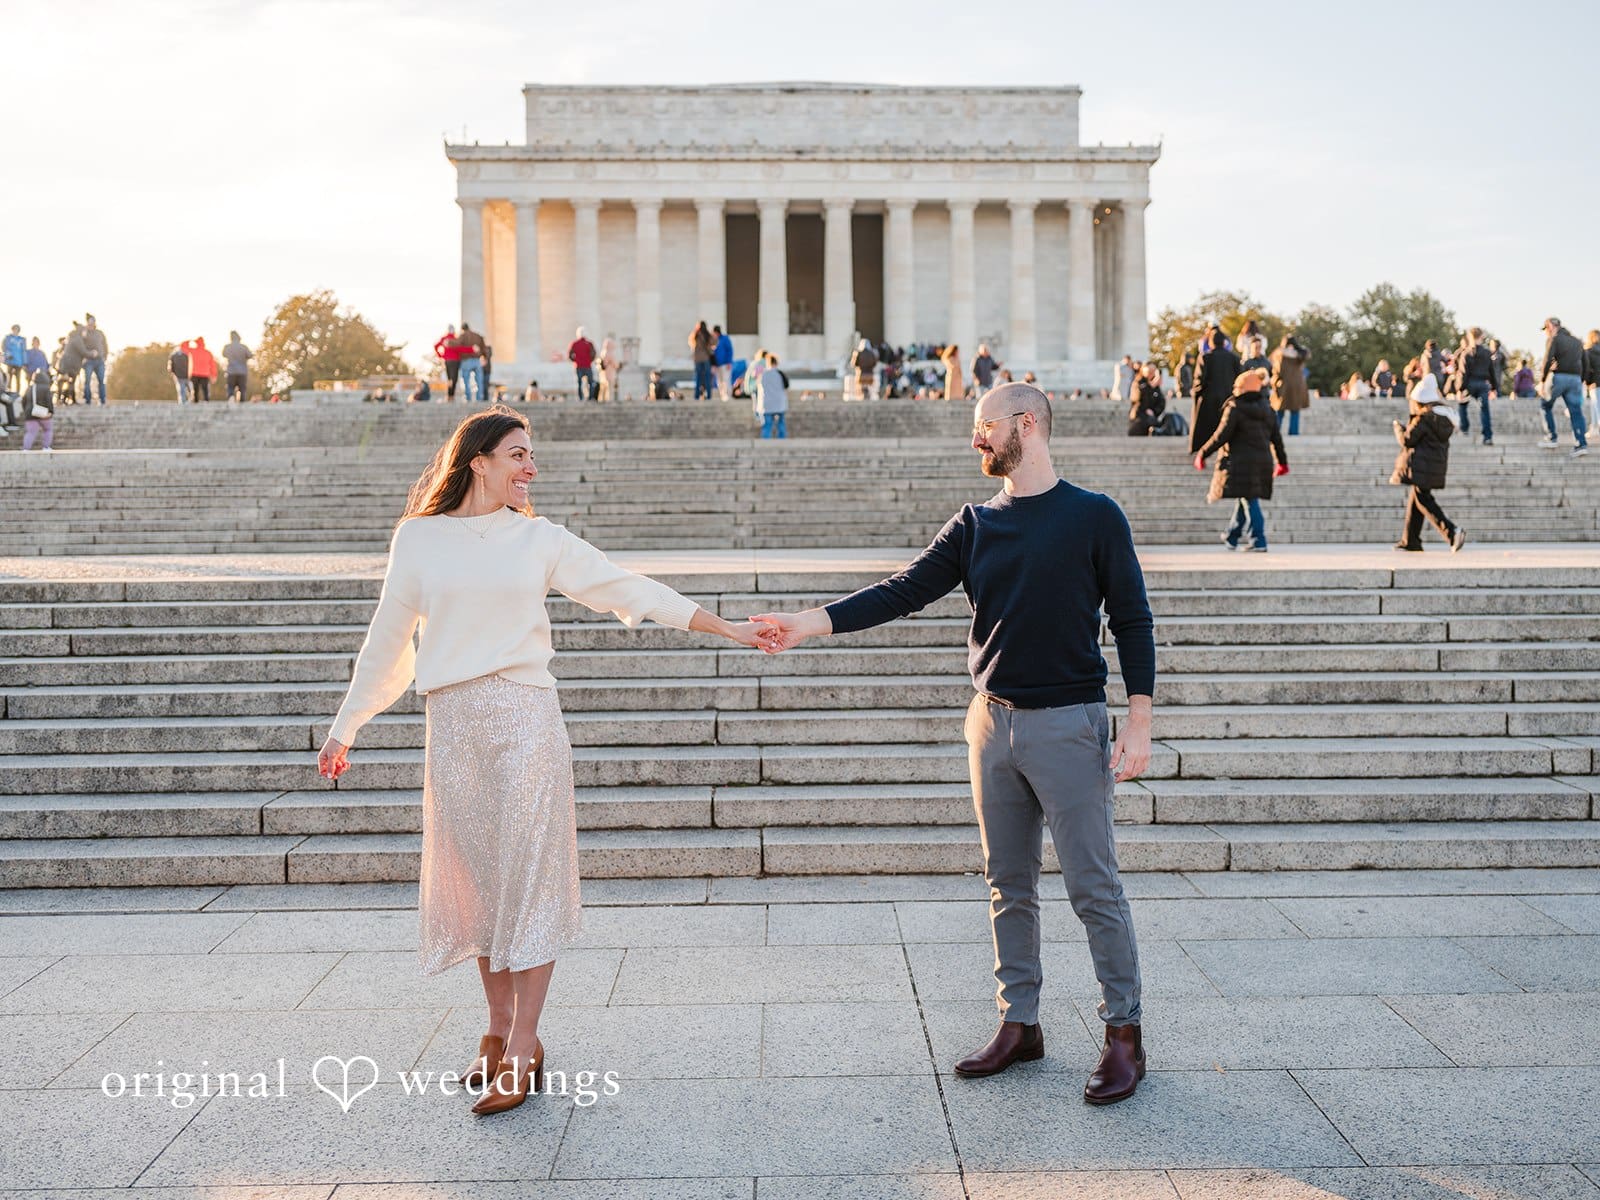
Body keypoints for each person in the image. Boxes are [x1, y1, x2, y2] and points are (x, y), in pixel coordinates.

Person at [318, 405, 775, 1116]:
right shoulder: (418, 539)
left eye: (533, 457)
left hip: (526, 716)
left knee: (528, 877)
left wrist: (729, 628)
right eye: (518, 455)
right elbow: (389, 639)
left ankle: (525, 1043)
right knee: (480, 883)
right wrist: (347, 725)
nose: (532, 468)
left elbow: (629, 588)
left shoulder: (540, 540)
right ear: (480, 462)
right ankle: (495, 1029)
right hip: (454, 724)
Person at [749, 382, 1155, 1106]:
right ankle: (1020, 1023)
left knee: (1094, 887)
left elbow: (1132, 619)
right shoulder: (974, 524)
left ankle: (1124, 1034)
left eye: (984, 427)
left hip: (1069, 722)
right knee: (1009, 884)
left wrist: (1139, 721)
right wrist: (805, 622)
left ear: (1024, 426)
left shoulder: (1096, 517)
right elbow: (900, 590)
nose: (976, 440)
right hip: (991, 722)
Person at [1193, 369, 1288, 552]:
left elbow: (1221, 436)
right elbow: (1277, 439)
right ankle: (1232, 535)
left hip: (1241, 462)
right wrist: (1282, 462)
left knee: (1249, 499)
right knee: (1245, 497)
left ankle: (1258, 539)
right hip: (1262, 462)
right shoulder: (1268, 409)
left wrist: (1202, 453)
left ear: (1241, 388)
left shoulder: (1235, 407)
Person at [1391, 374, 1465, 552]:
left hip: (1420, 466)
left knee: (1423, 500)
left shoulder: (1423, 419)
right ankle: (1411, 540)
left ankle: (1452, 532)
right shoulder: (1444, 419)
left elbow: (1408, 440)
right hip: (1434, 466)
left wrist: (1399, 428)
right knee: (1416, 499)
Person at [1538, 317, 1588, 457]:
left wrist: (1542, 381)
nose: (1546, 333)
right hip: (1575, 379)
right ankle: (1581, 443)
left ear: (1551, 326)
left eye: (1546, 329)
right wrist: (1581, 379)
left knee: (1545, 405)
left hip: (1559, 377)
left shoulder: (1554, 339)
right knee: (1576, 411)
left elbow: (1547, 359)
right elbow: (1585, 362)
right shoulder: (1577, 341)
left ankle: (1551, 437)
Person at [1189, 324, 1240, 453]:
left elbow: (1199, 381)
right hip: (1229, 399)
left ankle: (1202, 451)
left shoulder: (1205, 357)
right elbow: (1239, 380)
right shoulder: (1234, 358)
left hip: (1208, 400)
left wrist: (1196, 393)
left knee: (1206, 429)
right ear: (1224, 342)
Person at [1448, 327, 1497, 445]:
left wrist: (1460, 389)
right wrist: (1494, 388)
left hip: (1469, 384)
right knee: (1484, 410)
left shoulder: (1466, 353)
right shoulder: (1486, 353)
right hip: (1482, 384)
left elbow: (1463, 373)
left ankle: (1464, 428)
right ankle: (1487, 436)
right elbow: (1492, 372)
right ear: (1481, 337)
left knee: (1462, 405)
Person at [1269, 335, 1310, 435]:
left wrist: (1274, 382)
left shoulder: (1279, 354)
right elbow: (1307, 353)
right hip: (1298, 385)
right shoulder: (1300, 354)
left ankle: (1275, 434)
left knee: (1279, 411)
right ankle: (1294, 433)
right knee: (1295, 411)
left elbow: (1277, 371)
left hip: (1284, 385)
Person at [756, 352, 789, 438]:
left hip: (766, 404)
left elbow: (759, 388)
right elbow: (786, 386)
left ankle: (765, 443)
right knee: (781, 424)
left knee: (767, 425)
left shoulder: (763, 374)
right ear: (776, 363)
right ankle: (782, 441)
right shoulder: (780, 374)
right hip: (779, 403)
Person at [1127, 362, 1165, 436]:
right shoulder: (1138, 383)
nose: (1151, 373)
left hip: (1151, 417)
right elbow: (1137, 400)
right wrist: (1150, 387)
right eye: (1149, 371)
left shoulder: (1155, 386)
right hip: (1138, 417)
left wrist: (1154, 411)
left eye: (1153, 371)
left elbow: (1161, 402)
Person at [21, 368, 53, 450]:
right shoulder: (46, 388)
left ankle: (26, 449)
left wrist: (26, 410)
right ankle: (46, 447)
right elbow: (49, 401)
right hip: (43, 413)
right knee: (48, 429)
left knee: (30, 432)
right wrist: (51, 411)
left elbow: (23, 401)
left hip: (30, 414)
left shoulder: (30, 388)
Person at [80, 314, 108, 405]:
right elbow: (81, 346)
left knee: (101, 380)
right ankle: (87, 400)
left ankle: (102, 400)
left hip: (100, 360)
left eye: (93, 322)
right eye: (89, 322)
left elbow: (105, 345)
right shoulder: (84, 333)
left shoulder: (100, 333)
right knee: (87, 381)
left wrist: (105, 357)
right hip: (88, 361)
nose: (91, 324)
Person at [434, 325, 465, 401]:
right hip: (455, 361)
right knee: (453, 379)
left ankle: (450, 395)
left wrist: (440, 355)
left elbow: (436, 346)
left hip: (448, 361)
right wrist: (441, 355)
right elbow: (460, 349)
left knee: (450, 379)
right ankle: (451, 395)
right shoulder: (455, 339)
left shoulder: (445, 338)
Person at [183, 337, 217, 403]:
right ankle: (206, 401)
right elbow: (213, 365)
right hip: (205, 373)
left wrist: (189, 340)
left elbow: (182, 346)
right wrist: (214, 375)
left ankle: (196, 401)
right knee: (205, 389)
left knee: (195, 389)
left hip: (195, 373)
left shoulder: (192, 351)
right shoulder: (207, 352)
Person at [458, 323, 486, 402]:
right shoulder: (477, 335)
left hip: (466, 360)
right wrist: (484, 357)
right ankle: (479, 398)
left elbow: (457, 345)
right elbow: (483, 347)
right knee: (479, 381)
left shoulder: (463, 335)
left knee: (466, 381)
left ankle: (468, 398)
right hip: (477, 360)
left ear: (462, 329)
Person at [222, 331, 253, 404]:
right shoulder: (243, 347)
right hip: (242, 371)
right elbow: (250, 355)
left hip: (231, 370)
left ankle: (231, 397)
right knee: (242, 388)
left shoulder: (227, 347)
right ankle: (242, 401)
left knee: (230, 387)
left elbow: (223, 354)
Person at [688, 321, 713, 401]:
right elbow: (713, 343)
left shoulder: (695, 335)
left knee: (698, 377)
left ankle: (697, 395)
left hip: (697, 359)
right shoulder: (707, 335)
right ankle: (709, 395)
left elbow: (691, 344)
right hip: (705, 358)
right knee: (707, 378)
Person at [1583, 330, 1600, 431]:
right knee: (1595, 406)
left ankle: (1595, 428)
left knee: (1596, 406)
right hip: (1596, 382)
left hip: (1594, 382)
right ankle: (1593, 428)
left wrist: (1587, 381)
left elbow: (1587, 368)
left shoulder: (1588, 351)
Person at [712, 325, 734, 402]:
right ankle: (722, 395)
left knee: (726, 380)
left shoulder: (725, 339)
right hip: (717, 364)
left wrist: (729, 362)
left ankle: (728, 395)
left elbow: (729, 350)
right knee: (719, 381)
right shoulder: (714, 340)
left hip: (725, 364)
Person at [2, 325, 24, 393]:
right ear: (12, 329)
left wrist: (24, 362)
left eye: (17, 329)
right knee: (9, 377)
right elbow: (3, 347)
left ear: (19, 330)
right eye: (14, 329)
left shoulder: (21, 339)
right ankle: (8, 391)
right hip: (10, 361)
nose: (15, 330)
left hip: (19, 362)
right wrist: (8, 355)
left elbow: (24, 351)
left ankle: (18, 393)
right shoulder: (8, 338)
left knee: (18, 378)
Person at [597, 338, 620, 404]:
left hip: (602, 374)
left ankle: (601, 400)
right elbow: (615, 364)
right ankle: (609, 401)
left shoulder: (602, 353)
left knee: (603, 388)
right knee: (610, 389)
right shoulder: (610, 353)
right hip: (610, 373)